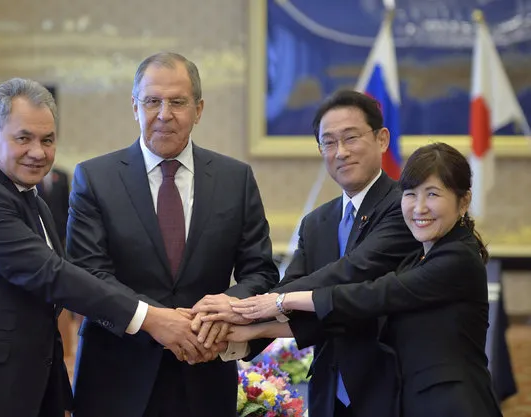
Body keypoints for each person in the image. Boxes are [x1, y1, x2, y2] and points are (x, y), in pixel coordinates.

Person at [0, 78, 209, 417]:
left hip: (17, 390)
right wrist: (152, 317)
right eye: (23, 138)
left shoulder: (33, 201)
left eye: (48, 139)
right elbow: (51, 275)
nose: (38, 152)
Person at [67, 52, 279, 417]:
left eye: (177, 102)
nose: (164, 114)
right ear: (134, 107)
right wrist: (154, 320)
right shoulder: (95, 178)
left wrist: (221, 311)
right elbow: (88, 277)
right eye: (152, 101)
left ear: (198, 109)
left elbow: (260, 273)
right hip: (115, 380)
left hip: (205, 375)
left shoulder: (235, 180)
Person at [229, 142, 503, 417]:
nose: (419, 208)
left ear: (464, 200)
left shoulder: (458, 258)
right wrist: (254, 331)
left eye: (432, 194)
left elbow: (374, 294)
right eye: (410, 194)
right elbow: (357, 312)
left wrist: (281, 300)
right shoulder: (416, 258)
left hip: (454, 405)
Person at [195, 89, 421, 417]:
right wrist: (234, 336)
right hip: (328, 392)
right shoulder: (317, 223)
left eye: (351, 137)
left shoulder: (404, 206)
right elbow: (295, 288)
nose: (340, 152)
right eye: (329, 142)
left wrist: (244, 309)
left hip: (390, 388)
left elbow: (350, 274)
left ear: (382, 139)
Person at [37, 166, 70, 244]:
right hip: (39, 229)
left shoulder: (62, 175)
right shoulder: (29, 176)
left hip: (59, 228)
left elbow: (66, 204)